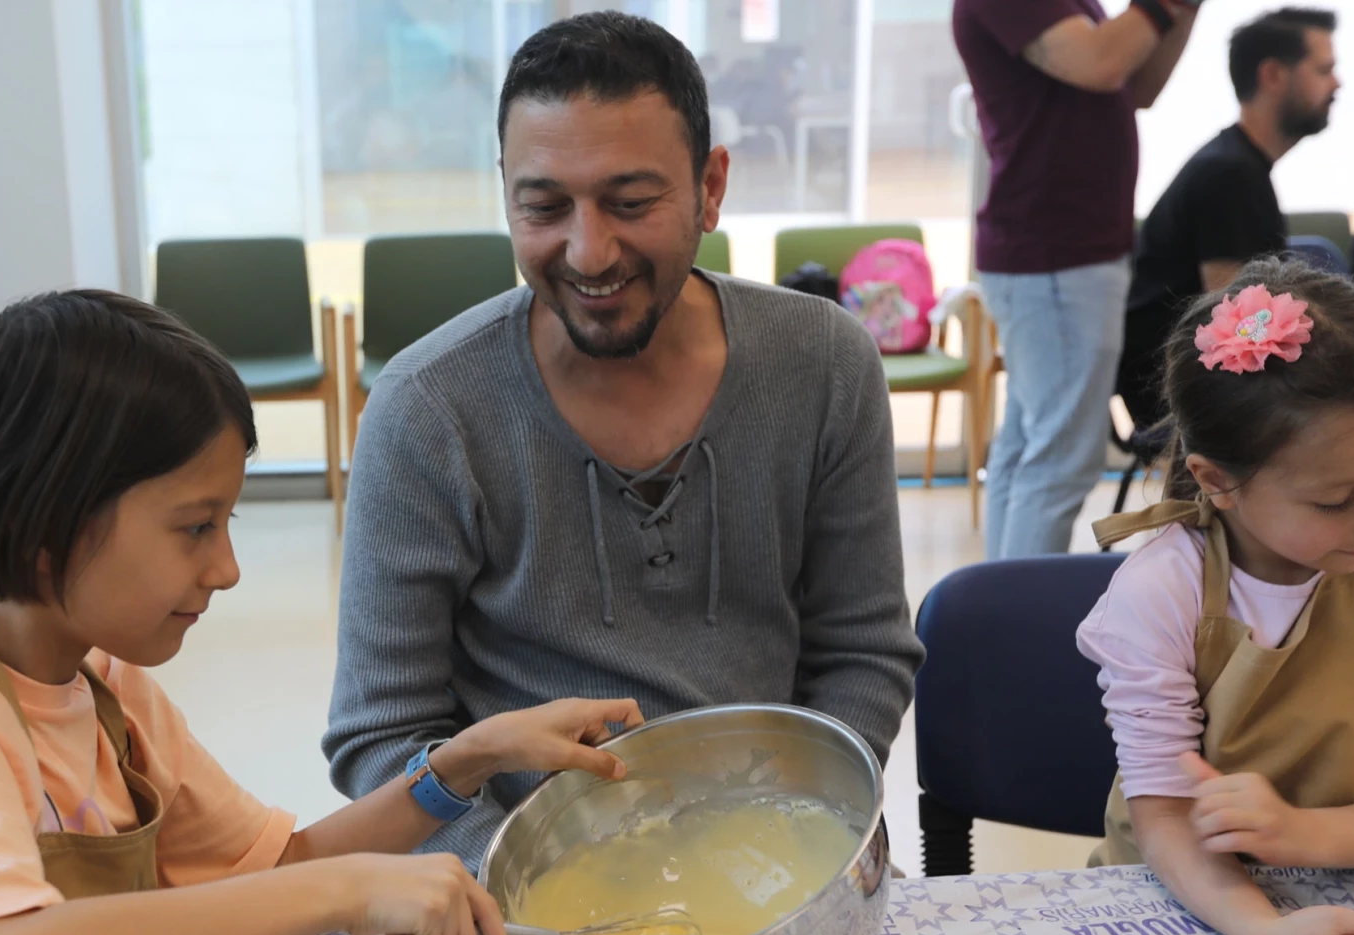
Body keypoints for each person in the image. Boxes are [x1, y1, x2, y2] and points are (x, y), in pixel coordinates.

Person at [0, 291, 645, 935]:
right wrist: (340, 894)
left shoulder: (107, 692)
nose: (227, 568)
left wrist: (464, 761)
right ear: (44, 532)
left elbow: (280, 865)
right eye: (195, 527)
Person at [324, 12, 923, 863]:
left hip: (777, 854)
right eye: (543, 206)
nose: (588, 251)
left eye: (631, 203)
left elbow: (863, 653)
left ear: (710, 186)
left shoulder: (823, 363)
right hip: (527, 880)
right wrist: (520, 878)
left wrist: (793, 833)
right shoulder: (428, 408)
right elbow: (380, 735)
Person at [1079, 258, 1354, 935]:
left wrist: (1306, 834)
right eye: (1336, 502)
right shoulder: (1159, 595)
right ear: (1218, 481)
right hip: (1188, 904)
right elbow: (1167, 818)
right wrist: (1265, 934)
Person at [953, 0, 1200, 558]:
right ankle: (1019, 605)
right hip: (1057, 255)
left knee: (1032, 447)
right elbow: (1100, 62)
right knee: (1060, 458)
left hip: (1061, 254)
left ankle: (1001, 596)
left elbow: (1137, 85)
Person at [1121, 8, 1340, 437]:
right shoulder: (1231, 176)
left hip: (1179, 381)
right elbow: (1242, 325)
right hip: (1177, 396)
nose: (1337, 83)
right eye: (1323, 69)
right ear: (1273, 75)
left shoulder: (1238, 166)